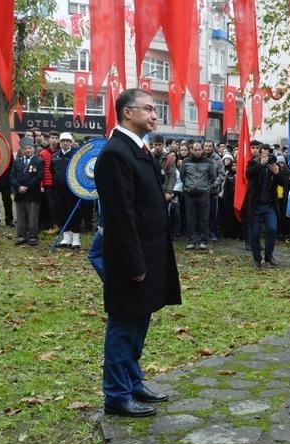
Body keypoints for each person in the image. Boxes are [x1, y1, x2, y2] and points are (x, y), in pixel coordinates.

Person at [94, 88, 181, 417]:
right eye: (147, 109)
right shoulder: (116, 153)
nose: (154, 115)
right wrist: (134, 264)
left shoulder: (137, 149)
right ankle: (116, 394)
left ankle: (132, 382)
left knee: (138, 321)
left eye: (155, 109)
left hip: (149, 252)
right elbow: (120, 215)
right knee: (124, 324)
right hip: (131, 258)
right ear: (127, 112)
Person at [245, 145, 286, 268]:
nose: (266, 157)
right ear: (259, 154)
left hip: (269, 205)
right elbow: (248, 174)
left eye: (267, 154)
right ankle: (257, 258)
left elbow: (284, 183)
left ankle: (269, 256)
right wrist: (261, 164)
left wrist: (277, 173)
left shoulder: (273, 165)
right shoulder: (253, 163)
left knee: (272, 229)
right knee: (254, 233)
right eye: (263, 154)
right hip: (255, 205)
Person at [180, 141, 214, 250]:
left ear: (202, 150)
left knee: (204, 218)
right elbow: (182, 176)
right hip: (189, 194)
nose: (198, 152)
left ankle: (203, 241)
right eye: (195, 150)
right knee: (190, 219)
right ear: (191, 150)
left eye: (199, 149)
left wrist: (206, 187)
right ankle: (191, 241)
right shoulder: (186, 162)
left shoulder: (208, 162)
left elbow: (213, 177)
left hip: (203, 194)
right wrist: (188, 186)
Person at [11, 137, 44, 246]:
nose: (27, 150)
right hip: (19, 193)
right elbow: (12, 177)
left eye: (29, 148)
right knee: (20, 215)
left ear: (33, 149)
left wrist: (26, 187)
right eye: (25, 148)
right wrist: (18, 187)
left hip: (33, 193)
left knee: (32, 215)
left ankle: (32, 236)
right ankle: (21, 235)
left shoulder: (38, 162)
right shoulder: (17, 162)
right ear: (21, 150)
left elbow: (39, 177)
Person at [51, 132, 81, 248]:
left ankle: (76, 238)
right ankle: (66, 237)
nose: (65, 143)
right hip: (59, 190)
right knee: (62, 212)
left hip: (73, 190)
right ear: (60, 142)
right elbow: (52, 171)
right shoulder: (55, 156)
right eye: (63, 141)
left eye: (67, 141)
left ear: (71, 142)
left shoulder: (76, 155)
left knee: (74, 213)